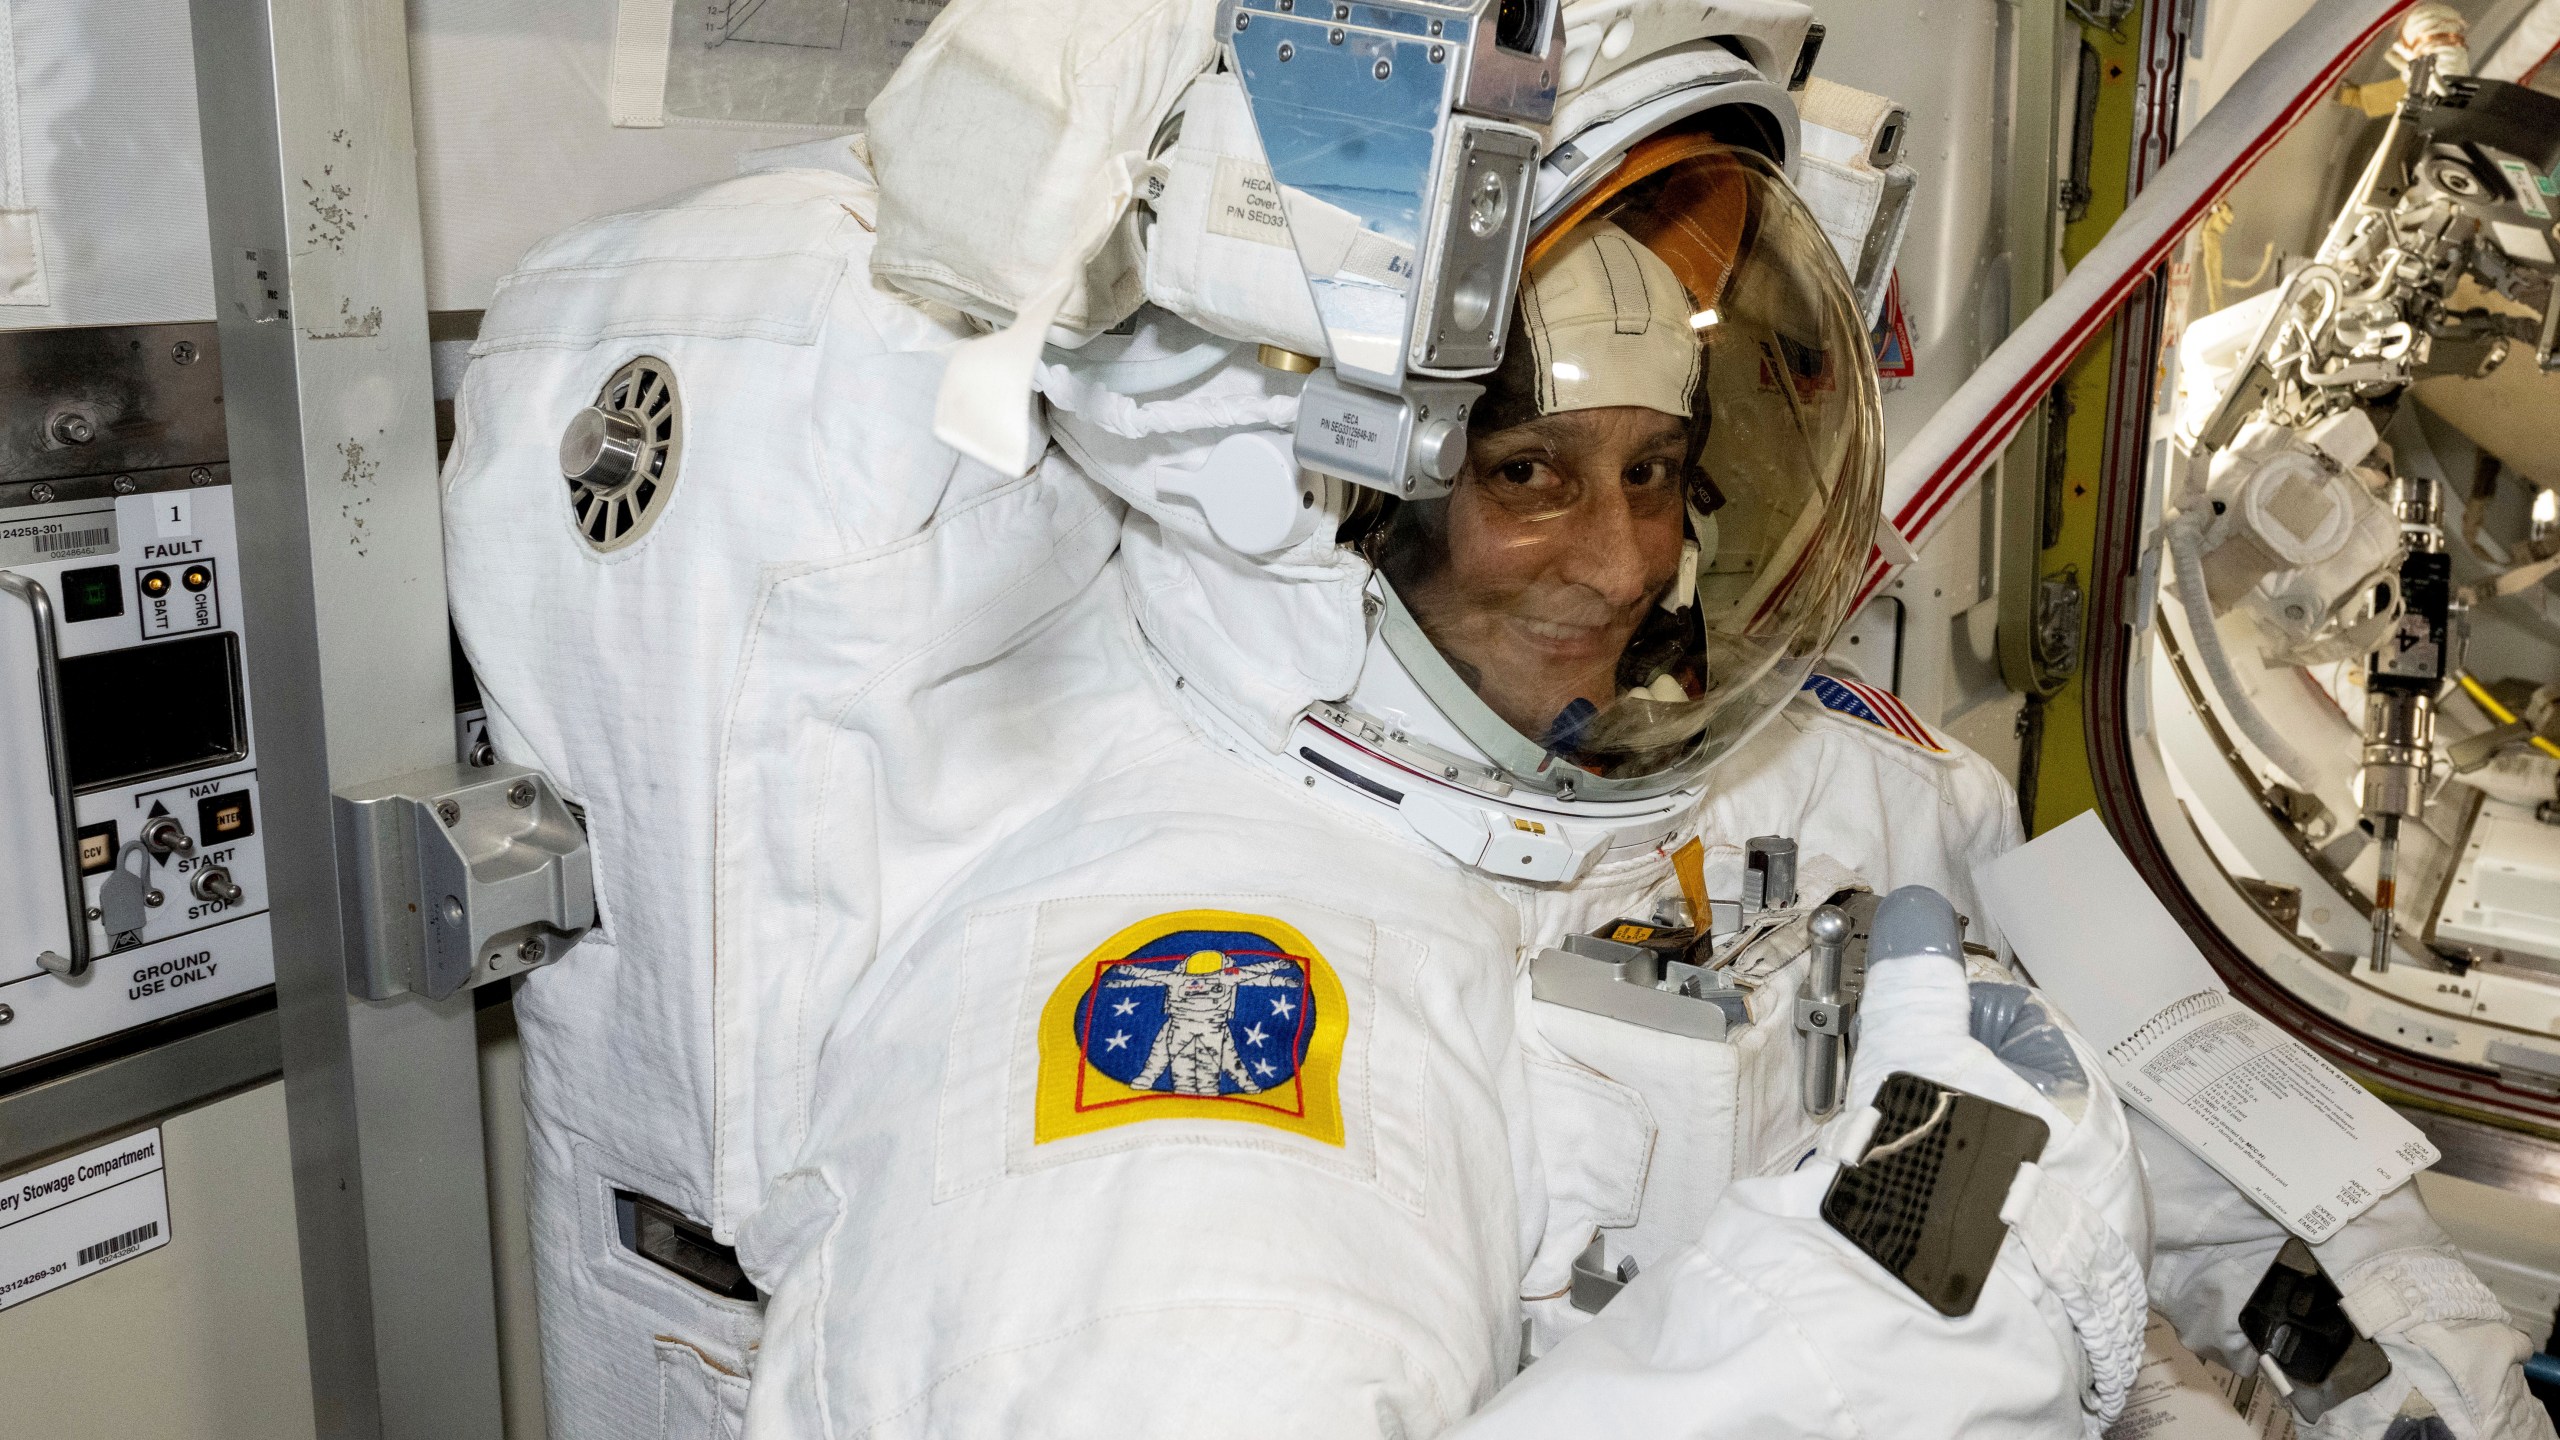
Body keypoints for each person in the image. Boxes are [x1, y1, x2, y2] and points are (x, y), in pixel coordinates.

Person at [439, 0, 2555, 1435]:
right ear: (1322, 516)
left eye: (1654, 472)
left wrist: (2376, 1311)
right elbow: (1970, 1213)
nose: (1625, 565)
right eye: (1527, 477)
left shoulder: (1779, 769)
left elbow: (2115, 1085)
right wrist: (1924, 1295)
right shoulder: (1199, 1001)